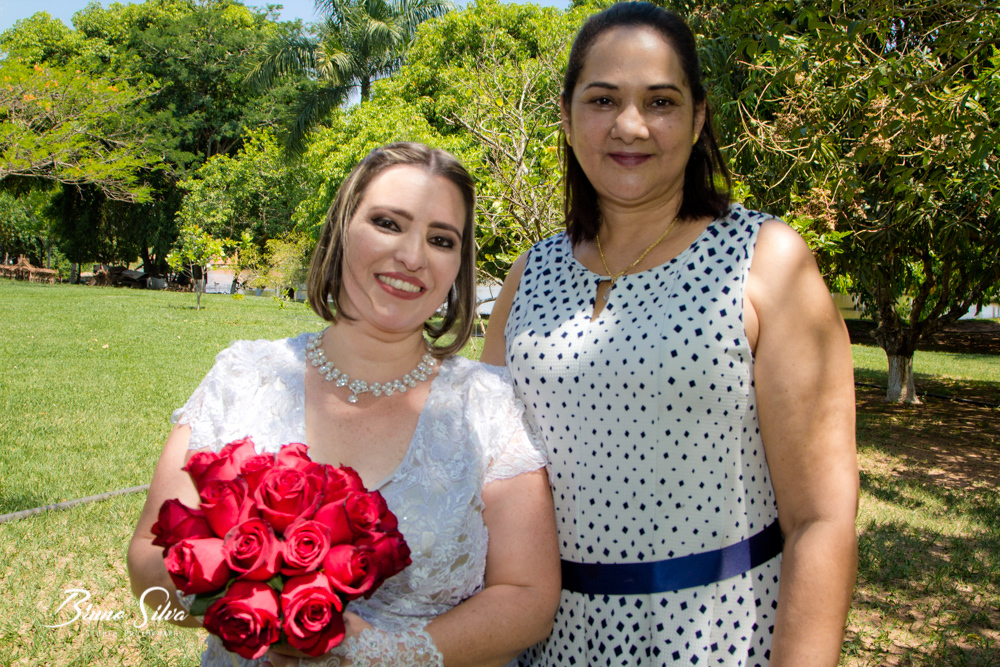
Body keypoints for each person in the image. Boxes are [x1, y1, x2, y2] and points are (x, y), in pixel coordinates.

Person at [481, 4, 859, 666]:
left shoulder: (766, 259)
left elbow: (820, 520)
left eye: (661, 101)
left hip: (712, 638)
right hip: (543, 642)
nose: (630, 126)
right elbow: (484, 476)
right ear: (566, 116)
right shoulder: (527, 274)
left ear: (698, 117)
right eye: (603, 100)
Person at [128, 142, 562, 667]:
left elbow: (528, 599)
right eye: (387, 223)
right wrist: (262, 605)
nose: (413, 256)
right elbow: (149, 563)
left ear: (457, 265)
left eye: (441, 239)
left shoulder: (488, 405)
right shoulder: (243, 376)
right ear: (341, 228)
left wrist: (386, 653)